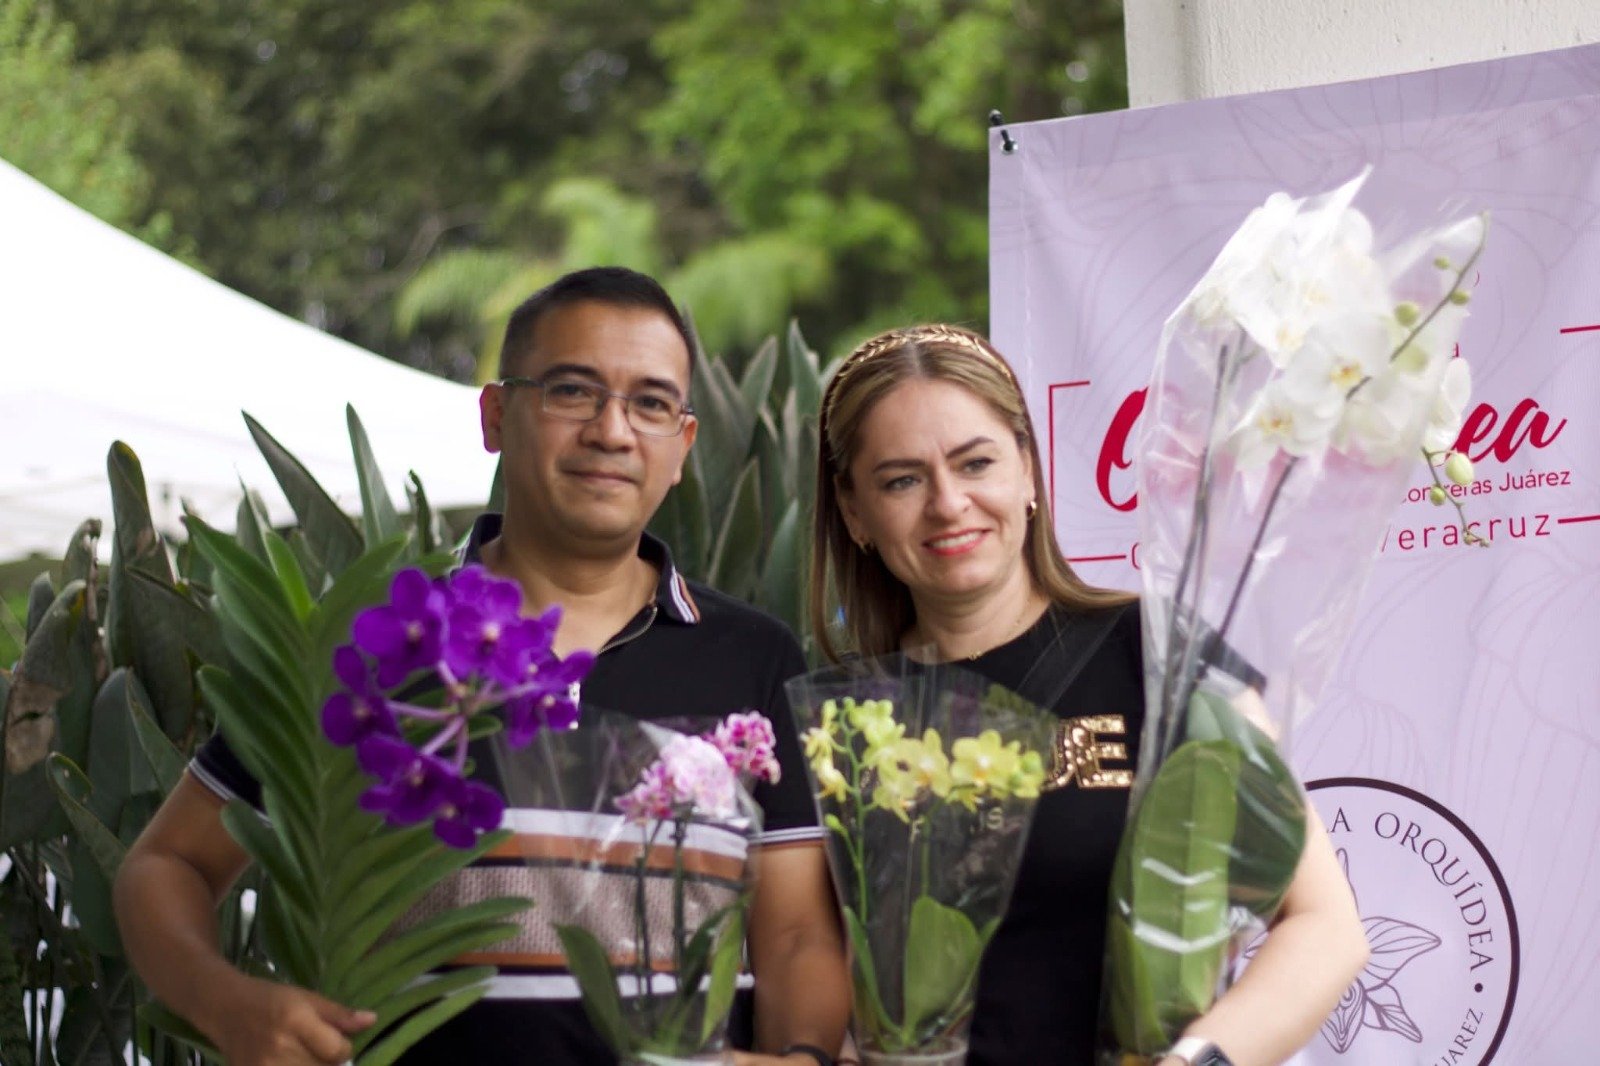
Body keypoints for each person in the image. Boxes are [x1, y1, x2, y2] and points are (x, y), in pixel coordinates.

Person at [115, 267, 851, 1066]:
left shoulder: (751, 656)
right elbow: (167, 863)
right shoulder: (374, 642)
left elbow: (798, 934)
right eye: (573, 391)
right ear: (497, 415)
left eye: (650, 402)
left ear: (682, 445)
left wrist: (804, 1059)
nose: (612, 430)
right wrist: (228, 1005)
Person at [807, 323, 1369, 1066]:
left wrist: (1193, 1063)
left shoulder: (1156, 656)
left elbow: (1324, 924)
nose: (949, 503)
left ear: (1029, 473)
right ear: (854, 514)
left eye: (976, 463)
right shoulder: (840, 722)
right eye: (902, 479)